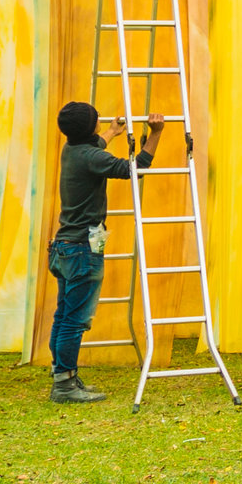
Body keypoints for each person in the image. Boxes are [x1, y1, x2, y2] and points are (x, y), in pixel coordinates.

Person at [47, 101, 166, 403]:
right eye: (97, 119)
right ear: (89, 127)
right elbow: (134, 169)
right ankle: (64, 385)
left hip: (64, 248)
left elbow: (95, 148)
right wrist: (155, 134)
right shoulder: (90, 156)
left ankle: (63, 374)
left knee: (63, 315)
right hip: (81, 251)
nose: (100, 120)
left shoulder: (72, 150)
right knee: (74, 320)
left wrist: (113, 131)